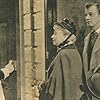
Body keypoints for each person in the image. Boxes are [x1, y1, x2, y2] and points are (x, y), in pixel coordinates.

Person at [39, 18, 82, 100]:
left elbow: (55, 89)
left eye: (55, 34)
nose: (52, 36)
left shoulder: (63, 55)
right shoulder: (74, 52)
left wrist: (42, 86)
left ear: (66, 36)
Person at [80, 2, 100, 100]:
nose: (87, 18)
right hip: (90, 92)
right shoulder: (87, 38)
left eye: (91, 14)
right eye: (86, 15)